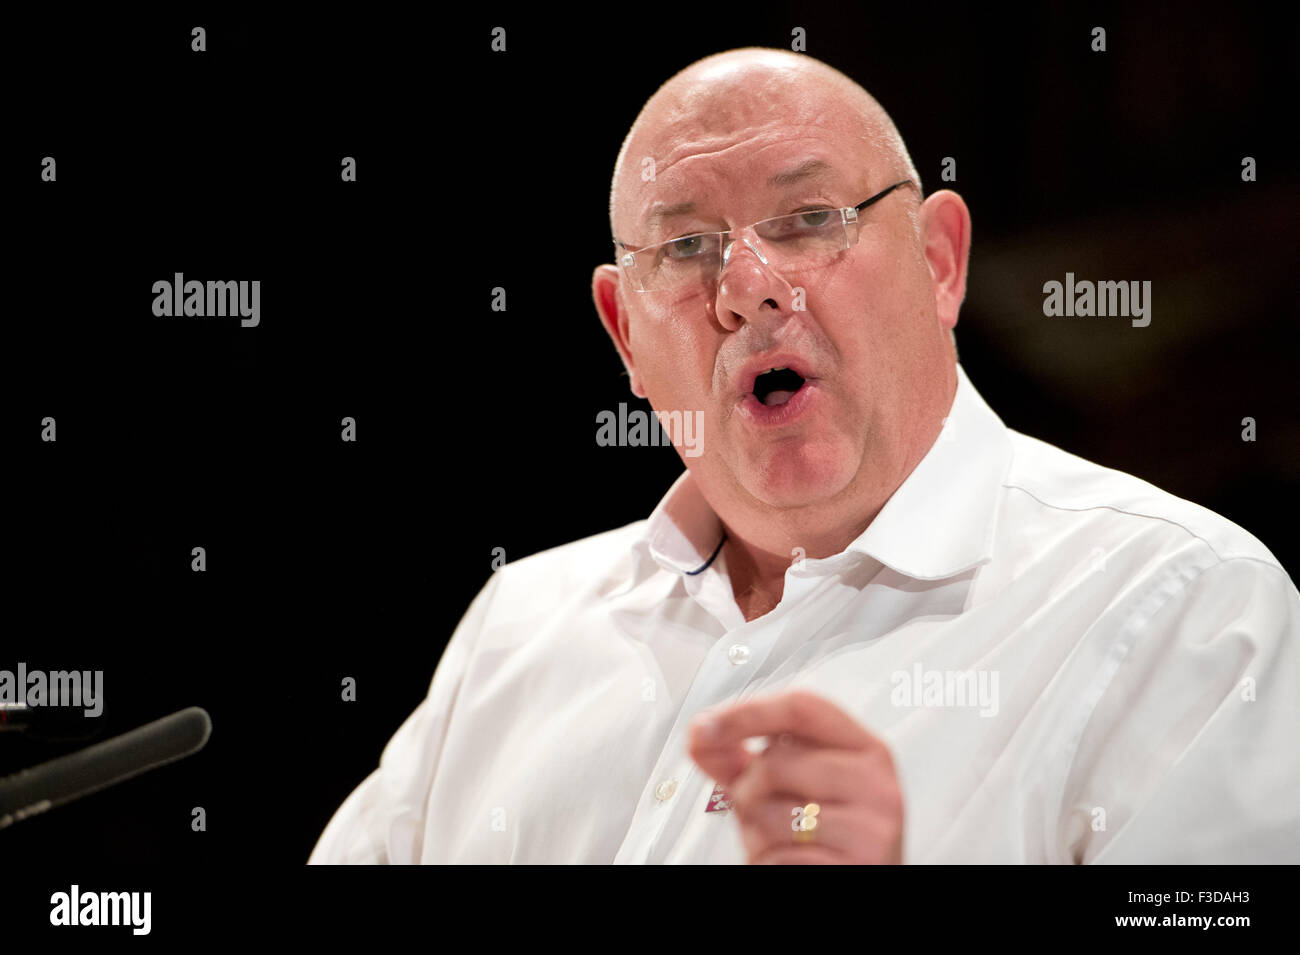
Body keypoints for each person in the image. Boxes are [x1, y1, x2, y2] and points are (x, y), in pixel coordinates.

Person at [309, 48, 1299, 864]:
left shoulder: (1181, 604)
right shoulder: (517, 630)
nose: (748, 286)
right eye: (686, 247)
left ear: (939, 261)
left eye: (811, 219)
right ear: (625, 334)